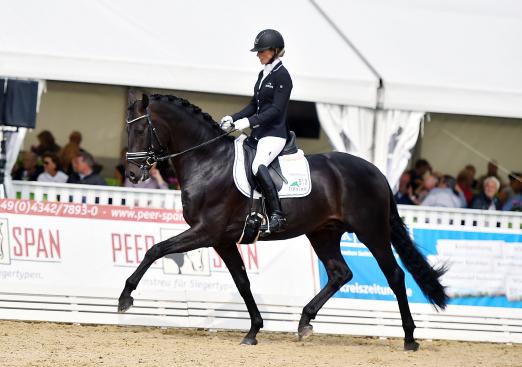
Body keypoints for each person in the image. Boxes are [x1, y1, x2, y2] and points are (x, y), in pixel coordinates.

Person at [220, 29, 292, 233]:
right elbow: (254, 104)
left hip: (275, 134)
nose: (258, 55)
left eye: (262, 51)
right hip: (259, 134)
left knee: (257, 165)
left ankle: (277, 215)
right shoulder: (264, 74)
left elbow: (275, 110)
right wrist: (233, 118)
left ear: (275, 51)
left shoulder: (283, 76)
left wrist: (246, 123)